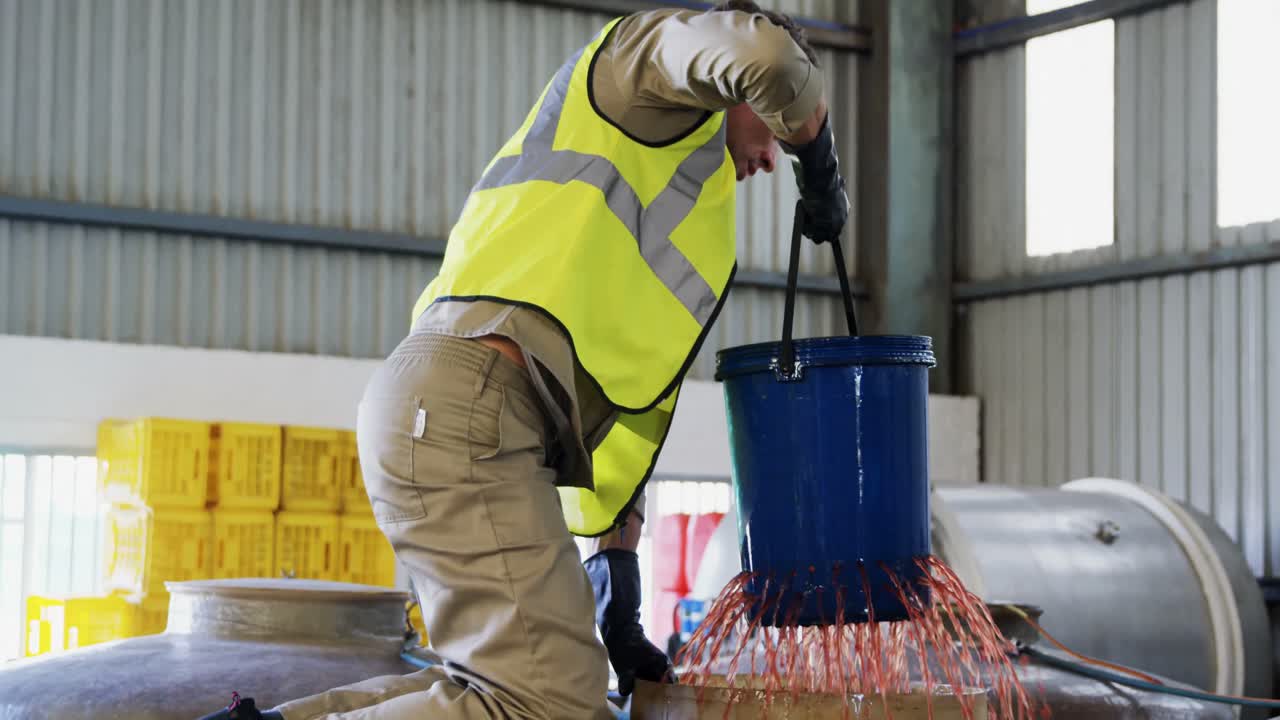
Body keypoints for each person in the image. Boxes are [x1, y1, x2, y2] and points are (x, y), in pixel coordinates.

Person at [202, 2, 848, 718]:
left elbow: (625, 411)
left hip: (455, 409)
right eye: (776, 132)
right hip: (472, 402)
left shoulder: (684, 196)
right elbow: (771, 62)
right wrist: (818, 163)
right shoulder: (636, 69)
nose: (773, 156)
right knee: (551, 705)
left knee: (498, 686)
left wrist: (618, 585)